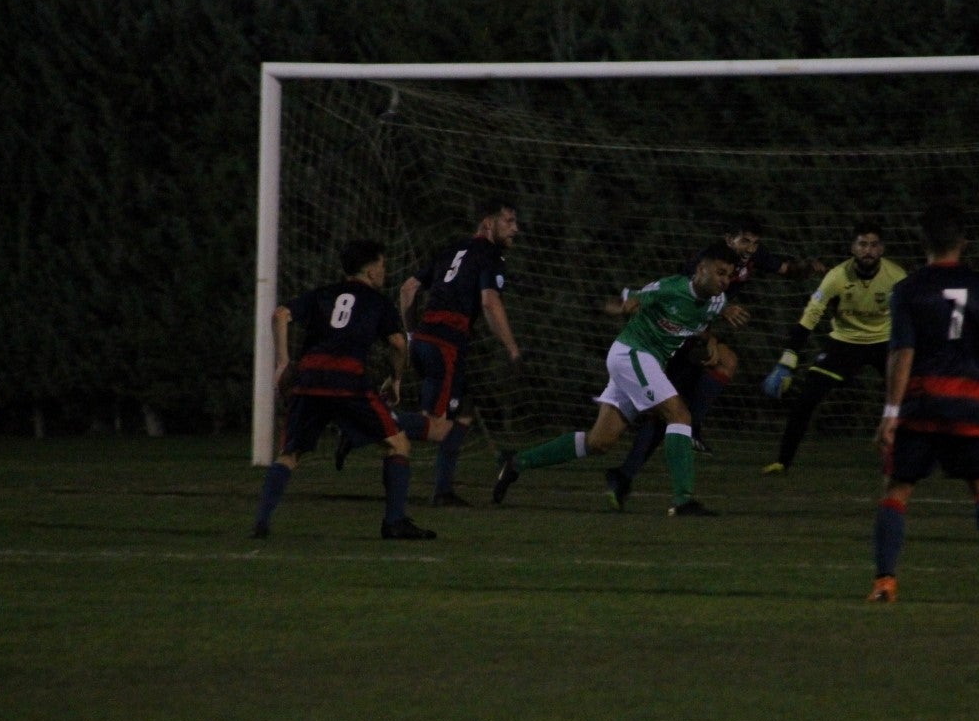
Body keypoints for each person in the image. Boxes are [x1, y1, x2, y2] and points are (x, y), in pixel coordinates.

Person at [493, 241, 741, 516]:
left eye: (729, 275)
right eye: (720, 272)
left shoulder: (718, 302)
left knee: (600, 441)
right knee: (680, 416)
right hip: (631, 353)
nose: (725, 280)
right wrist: (623, 306)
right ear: (700, 269)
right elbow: (627, 301)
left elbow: (702, 325)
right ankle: (683, 500)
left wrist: (712, 341)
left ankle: (515, 463)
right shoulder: (670, 288)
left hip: (646, 362)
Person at [868, 202, 979, 603]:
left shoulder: (907, 289)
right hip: (971, 406)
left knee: (896, 490)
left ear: (922, 242)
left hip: (922, 405)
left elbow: (902, 352)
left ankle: (886, 581)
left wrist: (890, 412)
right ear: (964, 242)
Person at [602, 219, 825, 510]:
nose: (749, 249)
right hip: (675, 339)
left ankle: (631, 471)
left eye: (754, 243)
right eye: (744, 241)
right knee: (671, 413)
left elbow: (786, 268)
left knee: (716, 370)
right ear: (728, 240)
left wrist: (812, 268)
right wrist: (717, 316)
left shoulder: (749, 258)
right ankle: (642, 470)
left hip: (696, 334)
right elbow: (685, 302)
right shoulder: (704, 263)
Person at [334, 198, 524, 507]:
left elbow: (407, 289)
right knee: (436, 427)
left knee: (464, 410)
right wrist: (512, 348)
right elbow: (490, 303)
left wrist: (411, 336)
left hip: (425, 340)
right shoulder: (490, 255)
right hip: (445, 347)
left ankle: (443, 491)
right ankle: (361, 427)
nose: (516, 228)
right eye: (509, 221)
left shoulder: (452, 249)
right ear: (488, 224)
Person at [252, 239, 435, 541]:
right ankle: (394, 522)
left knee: (289, 454)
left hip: (309, 379)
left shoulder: (322, 294)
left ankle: (261, 521)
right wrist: (396, 378)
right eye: (383, 265)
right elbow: (398, 343)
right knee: (398, 445)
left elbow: (279, 315)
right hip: (349, 382)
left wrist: (283, 361)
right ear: (371, 268)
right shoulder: (378, 302)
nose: (384, 271)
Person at [760, 221, 905, 473]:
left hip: (885, 343)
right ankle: (782, 461)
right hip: (844, 343)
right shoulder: (836, 276)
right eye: (862, 244)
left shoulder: (897, 277)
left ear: (881, 249)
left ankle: (919, 456)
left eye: (873, 245)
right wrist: (788, 357)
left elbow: (913, 316)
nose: (868, 250)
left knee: (913, 397)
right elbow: (810, 315)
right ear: (853, 248)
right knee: (806, 399)